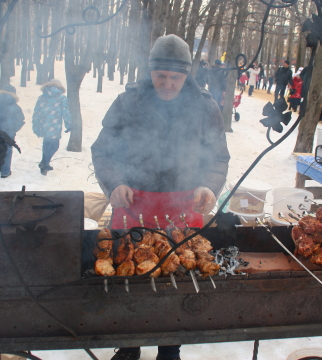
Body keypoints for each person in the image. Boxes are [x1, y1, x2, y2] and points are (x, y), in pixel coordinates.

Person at [91, 34, 230, 360]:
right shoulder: (127, 103)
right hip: (133, 204)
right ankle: (129, 345)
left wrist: (209, 186)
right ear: (150, 71)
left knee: (178, 281)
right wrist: (113, 184)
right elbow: (102, 151)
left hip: (183, 208)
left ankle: (170, 347)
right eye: (161, 76)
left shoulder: (206, 107)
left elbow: (218, 159)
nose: (167, 84)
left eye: (175, 77)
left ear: (187, 75)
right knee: (130, 278)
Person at [32, 79, 72, 176]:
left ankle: (46, 163)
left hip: (43, 125)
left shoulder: (41, 97)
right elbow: (65, 112)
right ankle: (44, 162)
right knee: (55, 146)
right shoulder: (61, 98)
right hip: (55, 126)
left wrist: (36, 126)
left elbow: (36, 113)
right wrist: (69, 124)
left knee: (46, 145)